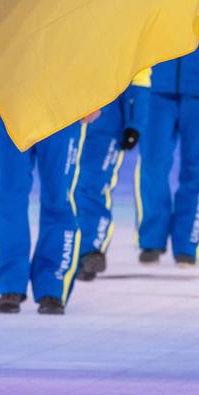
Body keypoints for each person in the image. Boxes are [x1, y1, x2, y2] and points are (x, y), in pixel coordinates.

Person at [0, 82, 87, 315]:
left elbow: (95, 45)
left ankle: (53, 285)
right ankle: (10, 285)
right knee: (7, 199)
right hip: (10, 103)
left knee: (59, 198)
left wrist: (96, 96)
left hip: (65, 105)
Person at [134, 3, 199, 266]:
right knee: (153, 163)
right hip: (156, 84)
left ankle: (187, 242)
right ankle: (151, 239)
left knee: (197, 166)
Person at [73, 87, 145, 281]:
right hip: (66, 118)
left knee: (93, 186)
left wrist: (135, 121)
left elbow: (139, 74)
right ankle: (65, 251)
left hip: (107, 123)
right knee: (64, 190)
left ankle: (91, 251)